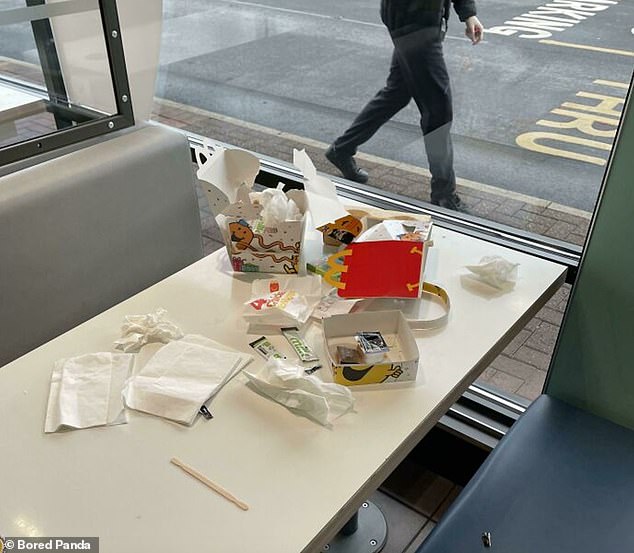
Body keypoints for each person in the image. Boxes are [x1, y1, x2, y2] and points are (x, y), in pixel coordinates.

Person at [325, 0, 483, 212]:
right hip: (414, 22)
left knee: (397, 93)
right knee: (438, 109)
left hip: (419, 21)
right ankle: (444, 194)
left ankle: (341, 149)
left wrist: (468, 14)